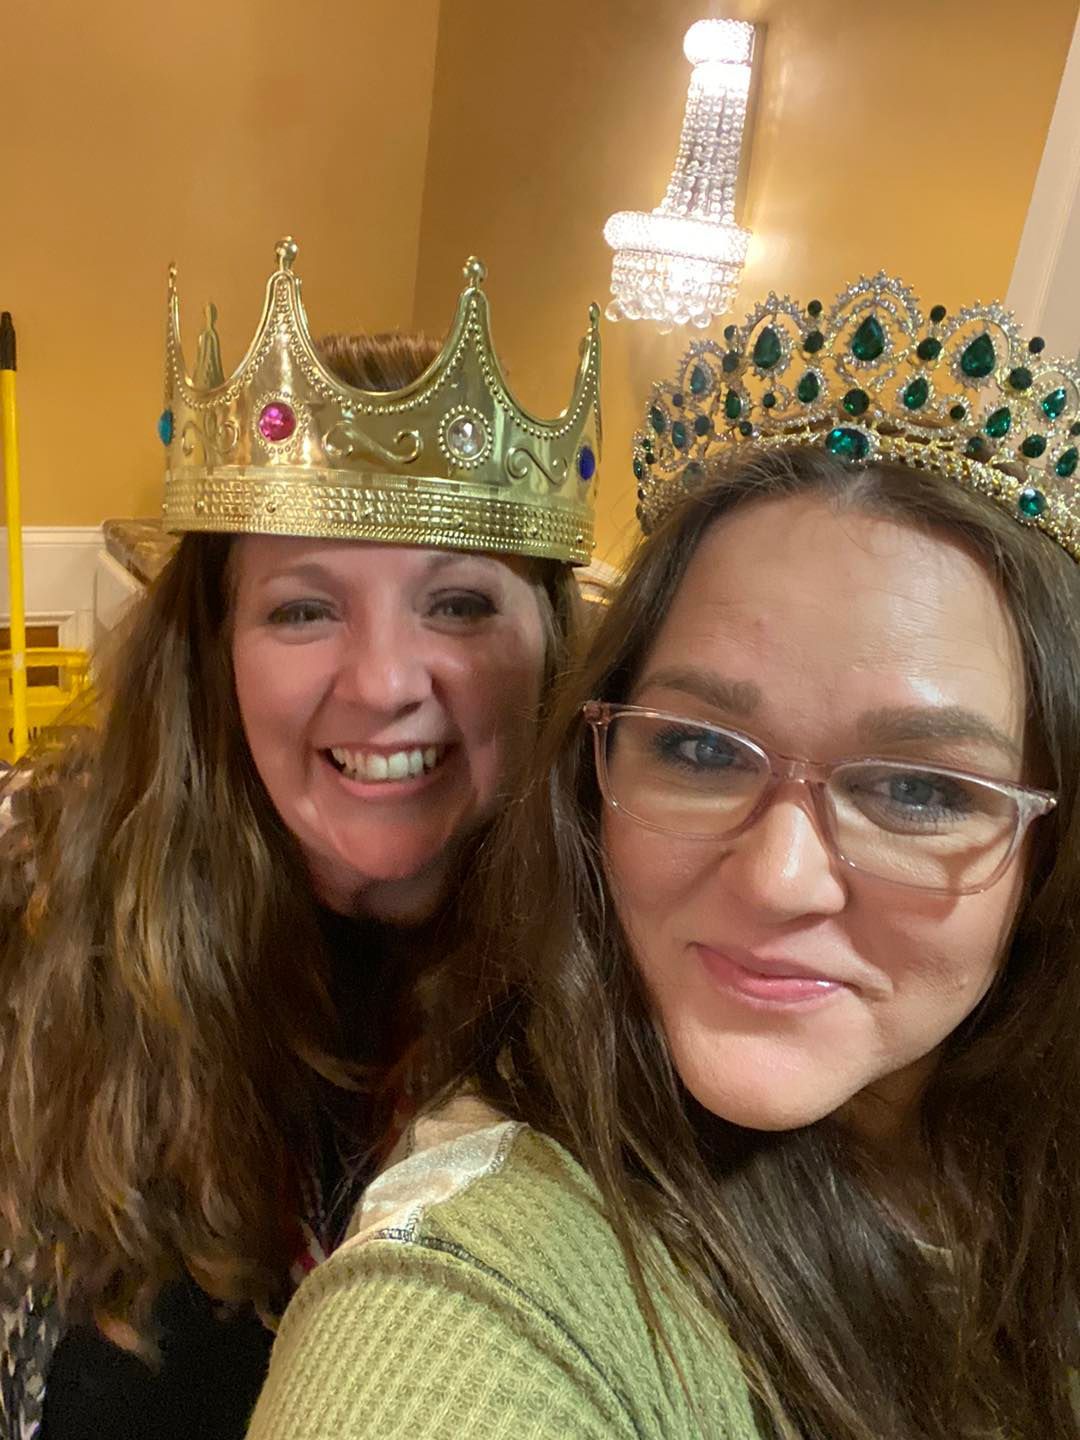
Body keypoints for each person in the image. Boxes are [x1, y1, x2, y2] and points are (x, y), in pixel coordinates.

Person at [248, 275, 1080, 1440]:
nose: (779, 879)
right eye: (700, 747)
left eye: (918, 789)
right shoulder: (487, 1286)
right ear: (593, 763)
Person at [0, 238, 600, 1439]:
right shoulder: (46, 932)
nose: (383, 683)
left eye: (461, 602)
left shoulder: (637, 1008)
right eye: (304, 608)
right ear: (214, 655)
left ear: (556, 651)